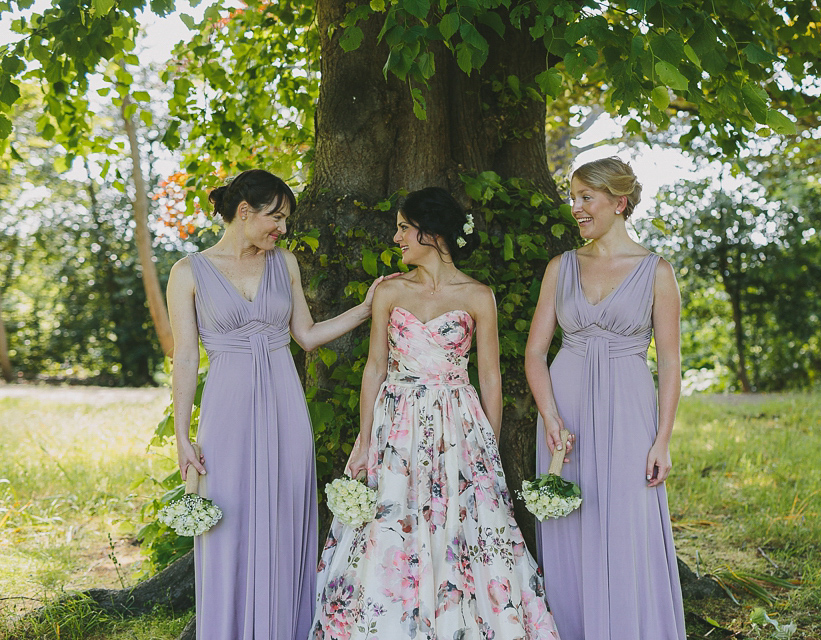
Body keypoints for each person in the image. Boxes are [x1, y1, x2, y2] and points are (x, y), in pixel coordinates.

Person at [311, 187, 560, 639]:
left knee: (462, 522)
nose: (396, 237)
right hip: (398, 422)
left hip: (458, 421)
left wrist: (489, 445)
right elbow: (374, 367)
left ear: (431, 232)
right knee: (392, 518)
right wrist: (365, 440)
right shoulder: (389, 291)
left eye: (404, 227)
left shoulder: (478, 295)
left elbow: (489, 377)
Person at [166, 169, 387, 640]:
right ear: (244, 212)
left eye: (285, 220)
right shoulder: (187, 272)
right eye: (277, 217)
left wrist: (366, 309)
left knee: (286, 514)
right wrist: (182, 436)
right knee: (226, 518)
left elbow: (305, 336)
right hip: (226, 409)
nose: (282, 229)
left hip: (285, 406)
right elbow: (184, 358)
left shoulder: (284, 264)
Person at [524, 157, 686, 640]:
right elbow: (535, 353)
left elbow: (673, 364)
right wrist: (550, 417)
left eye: (585, 198)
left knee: (626, 524)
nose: (576, 208)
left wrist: (663, 440)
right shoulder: (562, 267)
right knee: (570, 521)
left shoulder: (657, 271)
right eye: (572, 198)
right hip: (566, 408)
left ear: (619, 202)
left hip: (629, 408)